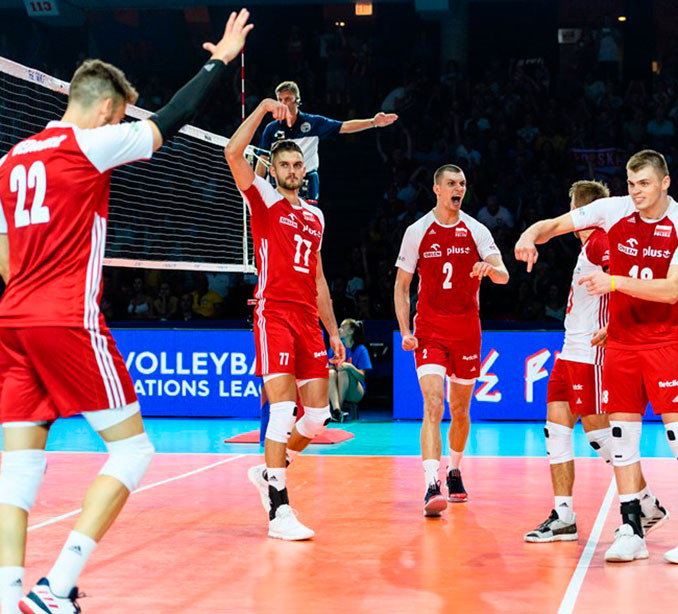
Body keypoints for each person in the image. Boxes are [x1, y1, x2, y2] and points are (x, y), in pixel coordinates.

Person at [0, 10, 252, 613]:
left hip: (13, 321)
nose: (123, 122)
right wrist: (219, 60)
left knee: (20, 465)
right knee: (135, 451)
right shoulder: (94, 141)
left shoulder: (11, 159)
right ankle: (57, 585)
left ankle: (9, 598)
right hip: (66, 318)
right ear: (109, 108)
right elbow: (172, 121)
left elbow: (4, 252)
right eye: (121, 113)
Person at [515, 150, 678, 565]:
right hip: (621, 342)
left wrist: (613, 282)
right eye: (631, 183)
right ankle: (631, 528)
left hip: (665, 340)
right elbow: (555, 224)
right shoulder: (613, 210)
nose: (636, 192)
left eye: (644, 184)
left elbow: (671, 290)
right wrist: (528, 237)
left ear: (664, 183)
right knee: (621, 439)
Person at [225, 97, 345, 541]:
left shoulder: (315, 216)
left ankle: (270, 468)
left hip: (307, 320)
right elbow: (232, 154)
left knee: (316, 417)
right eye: (286, 164)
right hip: (272, 311)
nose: (294, 169)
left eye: (298, 164)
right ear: (273, 170)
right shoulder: (264, 199)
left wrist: (332, 331)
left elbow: (318, 278)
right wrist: (259, 109)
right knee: (280, 409)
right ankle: (279, 510)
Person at [523, 180, 668, 543]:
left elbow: (633, 280)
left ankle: (644, 505)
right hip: (569, 350)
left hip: (591, 355)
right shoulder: (592, 245)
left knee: (601, 435)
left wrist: (612, 325)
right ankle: (564, 515)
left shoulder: (602, 240)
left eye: (573, 210)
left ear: (580, 212)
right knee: (555, 430)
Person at [394, 164, 509, 516]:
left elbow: (504, 275)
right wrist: (406, 331)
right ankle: (432, 483)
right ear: (437, 189)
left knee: (460, 410)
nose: (458, 188)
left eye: (462, 184)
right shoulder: (418, 231)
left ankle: (454, 469)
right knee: (433, 404)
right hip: (430, 329)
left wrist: (490, 269)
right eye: (451, 183)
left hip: (466, 331)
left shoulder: (476, 230)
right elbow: (402, 286)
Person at [255, 80, 399, 200]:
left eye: (287, 99)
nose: (283, 103)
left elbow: (345, 126)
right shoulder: (271, 129)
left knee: (308, 223)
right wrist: (256, 189)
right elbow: (262, 160)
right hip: (278, 182)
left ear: (297, 101)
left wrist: (373, 122)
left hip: (306, 180)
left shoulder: (313, 123)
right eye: (280, 100)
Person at [328, 318, 372, 420]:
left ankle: (337, 410)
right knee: (330, 373)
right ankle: (337, 410)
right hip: (335, 387)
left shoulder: (361, 349)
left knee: (344, 372)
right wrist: (335, 367)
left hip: (355, 391)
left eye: (343, 328)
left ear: (351, 332)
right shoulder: (335, 347)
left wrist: (350, 367)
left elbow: (362, 377)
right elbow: (329, 366)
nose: (339, 330)